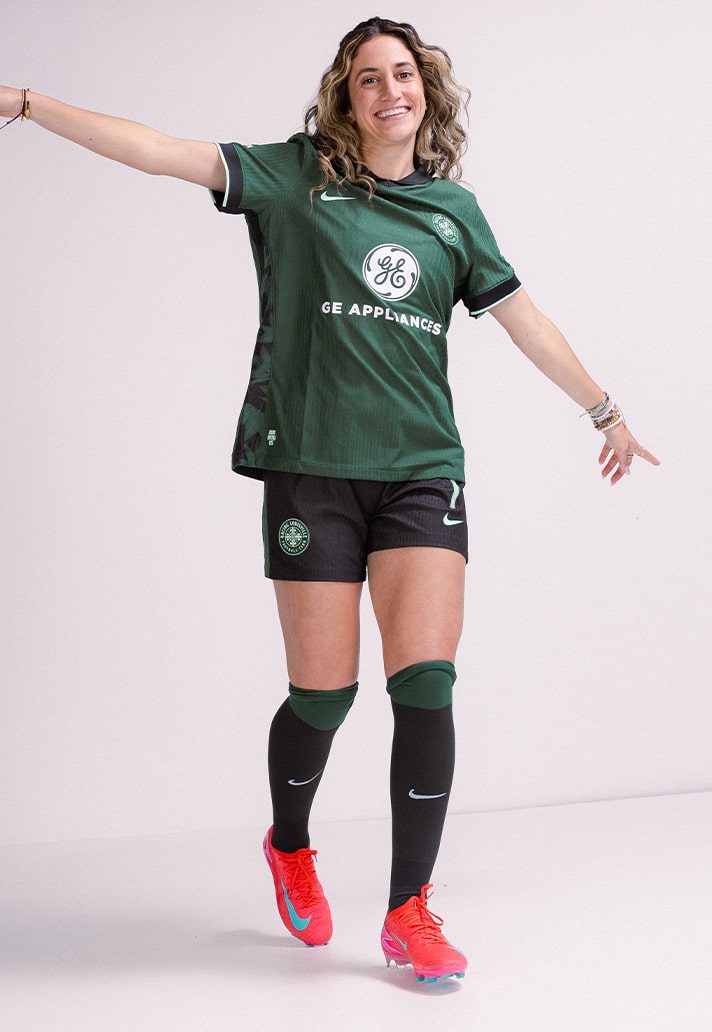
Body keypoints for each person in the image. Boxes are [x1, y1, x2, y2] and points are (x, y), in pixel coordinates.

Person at [1, 16, 659, 985]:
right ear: (345, 99)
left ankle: (408, 911)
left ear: (426, 89)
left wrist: (604, 410)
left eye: (403, 73)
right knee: (324, 694)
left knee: (425, 684)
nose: (390, 90)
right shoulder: (293, 177)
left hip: (420, 470)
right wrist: (24, 102)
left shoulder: (454, 212)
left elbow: (524, 318)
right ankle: (290, 844)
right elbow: (155, 150)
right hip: (311, 466)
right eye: (368, 78)